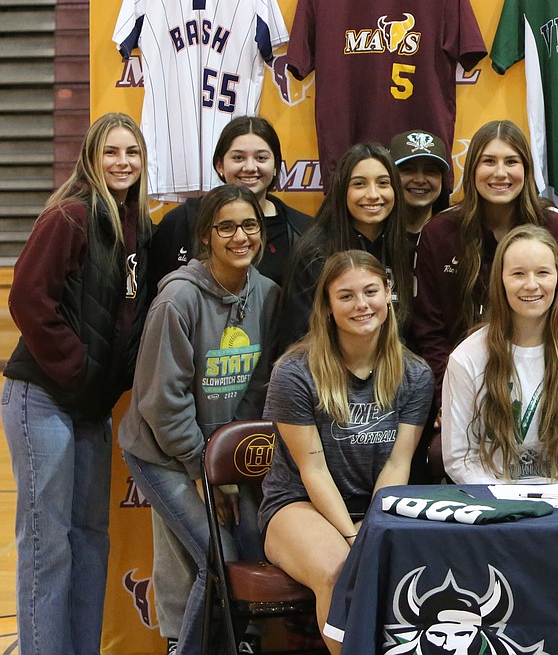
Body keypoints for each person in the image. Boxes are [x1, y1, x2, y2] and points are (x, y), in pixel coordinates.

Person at [2, 112, 151, 654]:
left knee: (90, 539)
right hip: (40, 396)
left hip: (87, 408)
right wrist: (81, 373)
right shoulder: (70, 216)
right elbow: (27, 301)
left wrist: (104, 386)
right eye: (111, 152)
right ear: (91, 157)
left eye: (131, 153)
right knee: (48, 541)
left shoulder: (138, 225)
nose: (122, 163)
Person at [119, 184, 281, 655]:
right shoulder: (178, 300)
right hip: (162, 453)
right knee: (218, 553)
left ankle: (239, 642)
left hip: (221, 456)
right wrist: (200, 469)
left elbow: (257, 389)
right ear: (206, 237)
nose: (239, 236)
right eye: (225, 226)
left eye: (249, 225)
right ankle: (184, 647)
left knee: (252, 541)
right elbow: (161, 400)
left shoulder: (267, 295)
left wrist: (229, 466)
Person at [261, 250, 432, 654]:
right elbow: (313, 469)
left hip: (374, 507)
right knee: (344, 571)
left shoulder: (415, 374)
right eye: (346, 296)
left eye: (371, 291)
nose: (361, 305)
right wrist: (355, 536)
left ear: (388, 293)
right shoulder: (294, 371)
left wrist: (374, 527)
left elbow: (397, 461)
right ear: (326, 305)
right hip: (299, 505)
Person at [413, 120, 558, 390]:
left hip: (540, 382)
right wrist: (449, 392)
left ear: (526, 168)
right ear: (472, 169)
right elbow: (430, 331)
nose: (500, 173)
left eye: (511, 161)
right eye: (488, 161)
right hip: (458, 381)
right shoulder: (439, 232)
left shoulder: (557, 229)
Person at [442, 225, 558, 484]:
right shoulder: (467, 357)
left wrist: (556, 503)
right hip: (495, 509)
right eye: (518, 274)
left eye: (543, 273)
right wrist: (506, 505)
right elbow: (460, 457)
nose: (531, 285)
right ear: (500, 280)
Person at [148, 115, 312, 295]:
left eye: (261, 158)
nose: (250, 167)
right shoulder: (181, 221)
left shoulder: (302, 231)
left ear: (275, 166)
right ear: (220, 165)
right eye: (238, 157)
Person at [280, 142, 413, 351]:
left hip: (392, 368)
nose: (373, 194)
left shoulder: (402, 247)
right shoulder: (315, 252)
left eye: (383, 183)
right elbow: (298, 336)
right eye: (359, 184)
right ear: (342, 189)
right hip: (326, 372)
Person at [387, 128, 452, 248]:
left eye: (430, 171)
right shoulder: (375, 237)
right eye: (408, 170)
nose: (420, 180)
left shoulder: (457, 238)